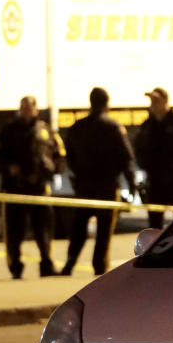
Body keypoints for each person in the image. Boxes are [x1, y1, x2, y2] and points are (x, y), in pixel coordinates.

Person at [63, 87, 136, 276]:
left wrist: (78, 175)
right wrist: (132, 185)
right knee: (104, 230)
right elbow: (126, 159)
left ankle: (70, 263)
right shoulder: (112, 128)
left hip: (84, 184)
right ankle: (99, 266)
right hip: (107, 186)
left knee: (79, 226)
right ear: (107, 103)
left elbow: (69, 157)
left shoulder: (77, 127)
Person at [0, 95, 64, 278]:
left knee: (44, 229)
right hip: (16, 188)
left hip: (39, 187)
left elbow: (58, 154)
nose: (25, 111)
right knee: (14, 231)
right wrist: (9, 168)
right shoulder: (8, 130)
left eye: (29, 107)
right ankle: (15, 267)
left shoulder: (44, 130)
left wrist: (53, 169)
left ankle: (46, 265)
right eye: (22, 107)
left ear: (35, 109)